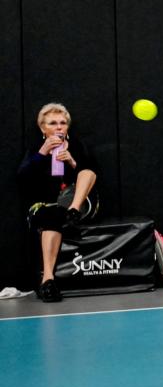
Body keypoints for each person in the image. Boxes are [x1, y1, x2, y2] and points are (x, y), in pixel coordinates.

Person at [17, 103, 98, 303]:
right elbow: (22, 178)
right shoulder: (36, 149)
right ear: (43, 128)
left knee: (87, 172)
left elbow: (92, 175)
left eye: (63, 123)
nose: (59, 127)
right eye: (53, 123)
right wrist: (43, 153)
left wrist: (72, 163)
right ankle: (48, 281)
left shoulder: (77, 145)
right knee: (51, 216)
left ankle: (72, 211)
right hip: (47, 208)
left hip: (79, 204)